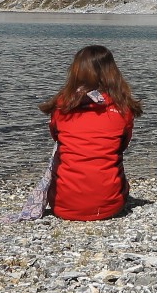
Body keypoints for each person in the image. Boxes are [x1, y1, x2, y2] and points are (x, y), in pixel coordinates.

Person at [39, 44, 141, 221]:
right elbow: (122, 145)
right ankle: (103, 193)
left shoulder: (62, 106)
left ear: (76, 71)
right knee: (113, 158)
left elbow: (56, 137)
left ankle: (73, 193)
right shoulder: (123, 109)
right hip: (109, 207)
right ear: (112, 72)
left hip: (63, 206)